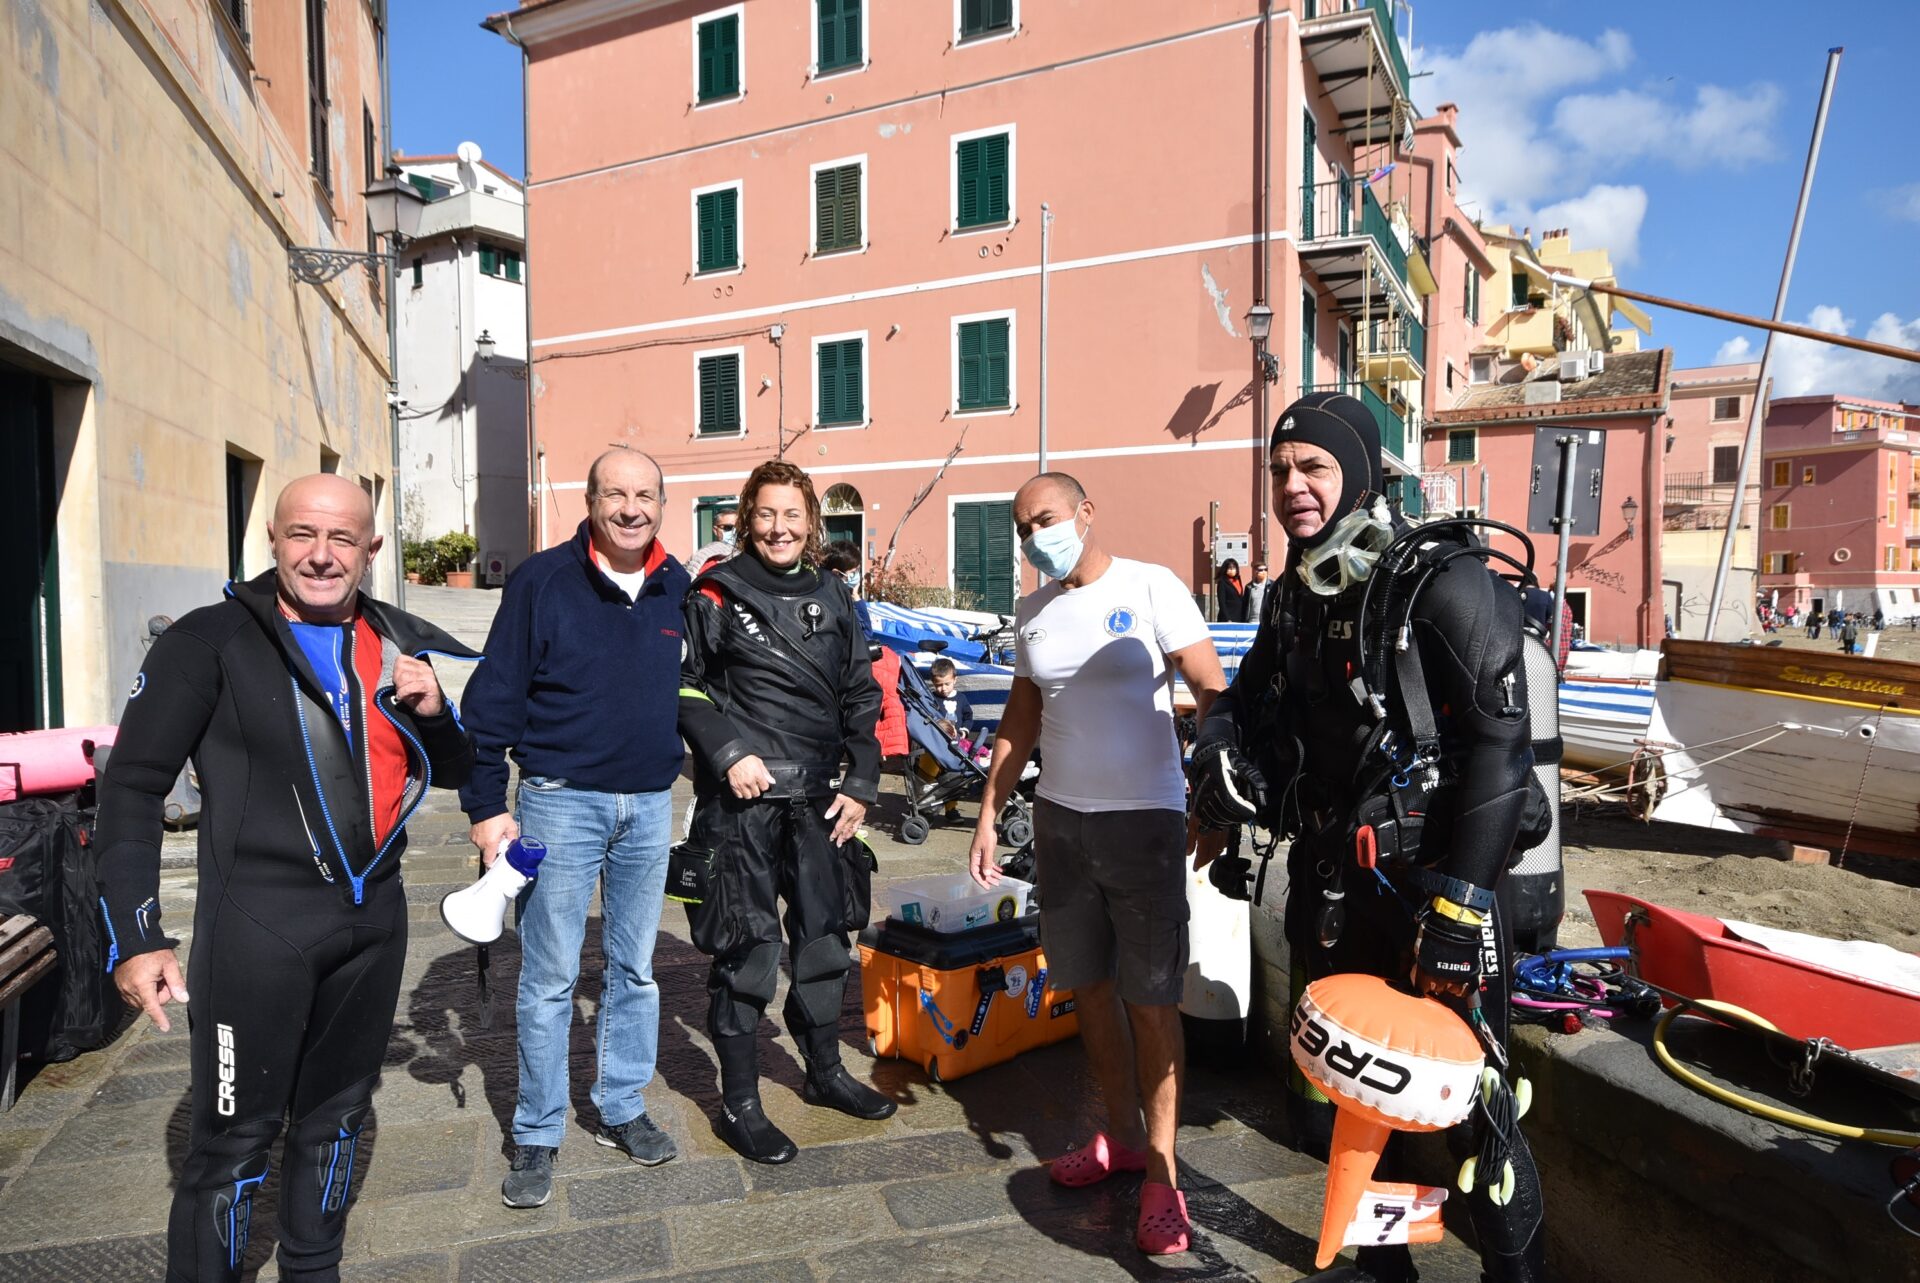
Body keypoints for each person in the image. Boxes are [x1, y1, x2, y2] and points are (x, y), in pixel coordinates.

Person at [1188, 392, 1548, 1281]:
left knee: (1479, 1116)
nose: (1293, 487)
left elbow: (1505, 749)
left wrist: (1462, 908)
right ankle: (1384, 1271)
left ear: (1359, 470)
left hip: (1435, 888)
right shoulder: (1293, 594)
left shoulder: (1445, 582)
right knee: (1353, 1098)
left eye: (1313, 466)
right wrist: (1220, 753)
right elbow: (1245, 698)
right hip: (1334, 881)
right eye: (1280, 470)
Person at [97, 475, 477, 1283]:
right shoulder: (208, 642)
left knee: (338, 1120)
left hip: (372, 927)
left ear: (372, 549)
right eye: (302, 533)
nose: (321, 554)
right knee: (233, 1144)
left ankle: (315, 1269)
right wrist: (135, 937)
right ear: (271, 538)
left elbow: (452, 769)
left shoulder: (395, 641)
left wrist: (438, 712)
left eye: (343, 538)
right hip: (255, 936)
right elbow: (129, 786)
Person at [968, 471, 1228, 1256]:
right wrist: (988, 810)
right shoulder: (1032, 612)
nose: (1032, 538)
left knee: (1152, 1001)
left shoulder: (1152, 586)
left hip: (1144, 824)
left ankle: (1164, 1177)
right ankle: (1116, 1136)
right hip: (1060, 824)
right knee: (1087, 987)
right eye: (1021, 528)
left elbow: (1211, 689)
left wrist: (1213, 802)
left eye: (1043, 519)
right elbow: (1024, 713)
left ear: (1085, 513)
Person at [461, 448, 691, 1209]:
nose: (631, 508)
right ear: (589, 500)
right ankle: (537, 1128)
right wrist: (488, 806)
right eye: (615, 493)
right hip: (559, 802)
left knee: (635, 970)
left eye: (645, 495)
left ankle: (621, 1106)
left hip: (650, 804)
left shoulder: (677, 585)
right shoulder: (542, 581)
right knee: (551, 976)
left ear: (663, 503)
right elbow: (491, 699)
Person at [678, 459, 894, 1165]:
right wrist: (729, 750)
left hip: (821, 803)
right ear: (747, 518)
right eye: (765, 515)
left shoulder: (835, 592)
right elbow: (684, 685)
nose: (779, 528)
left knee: (826, 942)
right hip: (740, 805)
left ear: (811, 521)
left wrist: (862, 780)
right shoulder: (716, 591)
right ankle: (740, 1103)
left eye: (791, 515)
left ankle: (825, 1072)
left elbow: (862, 693)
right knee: (748, 954)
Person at [684, 505, 738, 577]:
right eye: (728, 527)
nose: (734, 531)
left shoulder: (744, 552)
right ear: (715, 530)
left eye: (738, 527)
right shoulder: (707, 556)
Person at [1215, 557, 1247, 622]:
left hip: (1239, 616)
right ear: (1225, 569)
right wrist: (1227, 618)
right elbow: (1222, 603)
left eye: (1234, 568)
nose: (1232, 570)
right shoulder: (1222, 582)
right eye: (1229, 568)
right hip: (1228, 617)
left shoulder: (1238, 580)